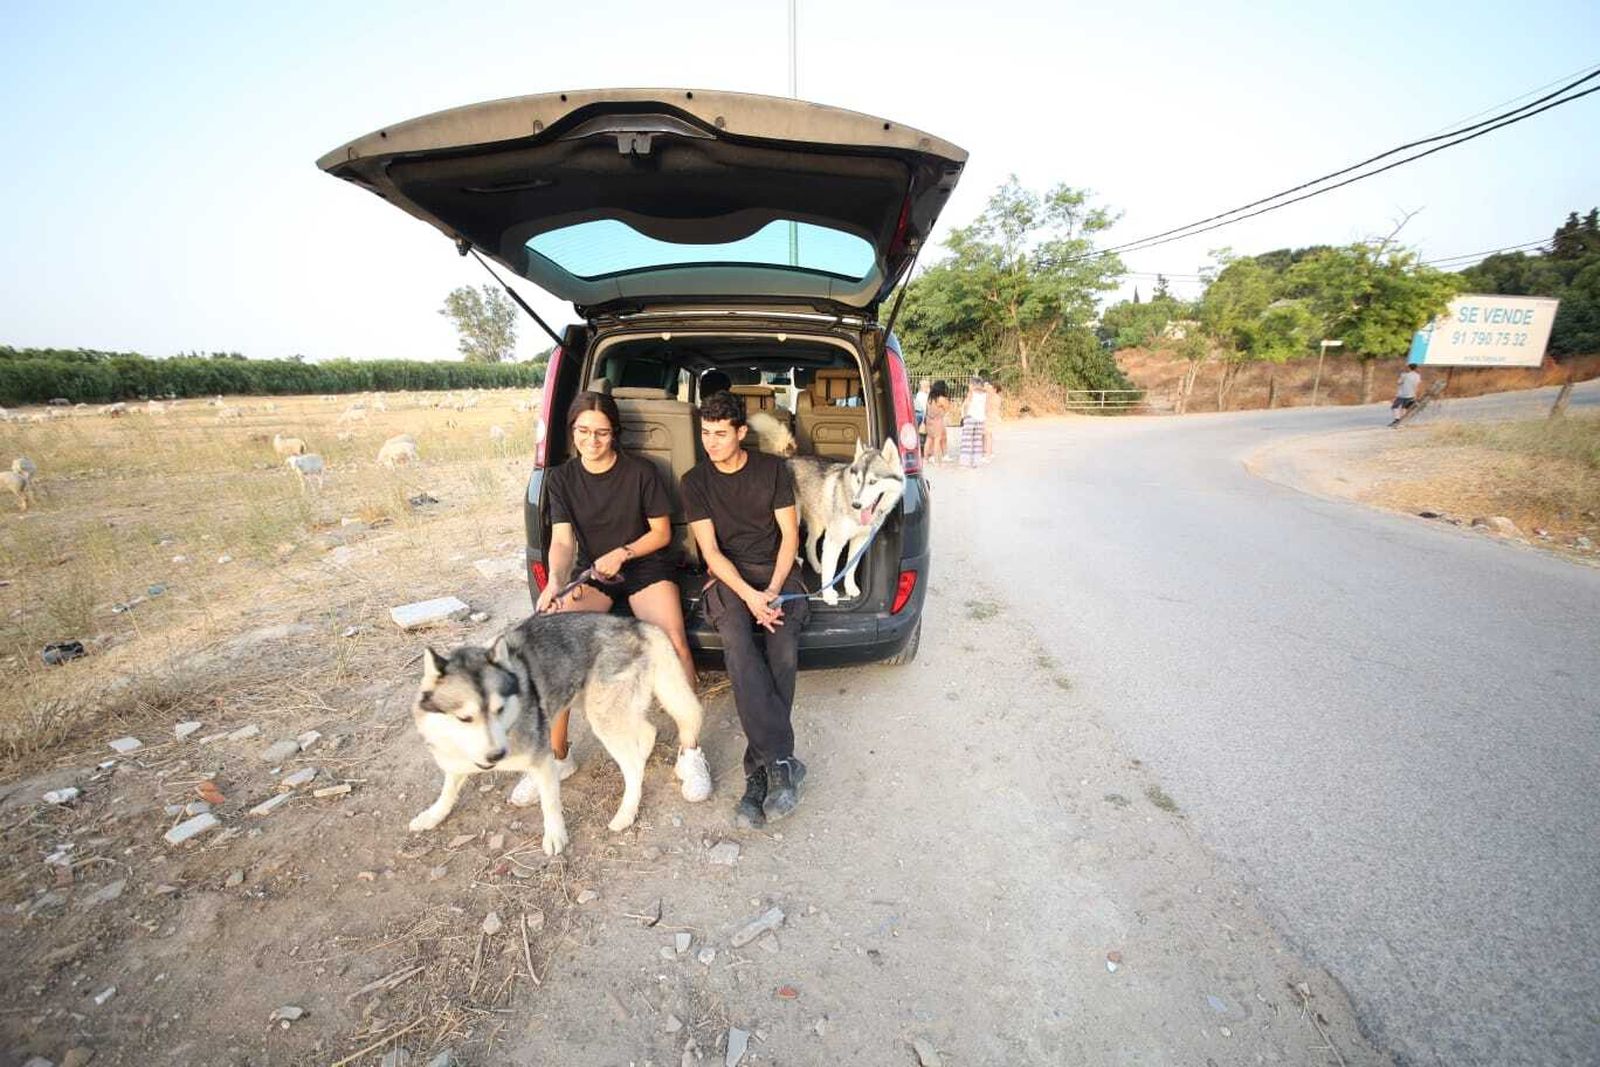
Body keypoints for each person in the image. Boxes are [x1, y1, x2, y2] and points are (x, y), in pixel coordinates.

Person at [537, 391, 711, 799]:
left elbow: (662, 534)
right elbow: (562, 543)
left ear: (615, 433)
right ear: (572, 431)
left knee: (672, 640)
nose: (592, 441)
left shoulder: (641, 472)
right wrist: (554, 583)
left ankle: (690, 751)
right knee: (556, 643)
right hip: (595, 571)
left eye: (601, 432)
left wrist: (624, 552)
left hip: (644, 565)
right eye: (583, 431)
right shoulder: (561, 479)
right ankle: (558, 756)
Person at [682, 391, 811, 827]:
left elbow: (790, 539)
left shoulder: (772, 471)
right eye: (705, 433)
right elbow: (712, 552)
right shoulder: (695, 481)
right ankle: (780, 762)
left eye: (721, 434)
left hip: (777, 573)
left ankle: (757, 772)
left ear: (741, 433)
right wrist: (751, 597)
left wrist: (772, 590)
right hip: (728, 578)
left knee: (782, 647)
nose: (711, 442)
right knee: (738, 645)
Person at [959, 374, 988, 467]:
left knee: (967, 441)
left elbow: (967, 404)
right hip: (980, 419)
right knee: (977, 441)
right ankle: (977, 461)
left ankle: (965, 462)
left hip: (970, 417)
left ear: (973, 384)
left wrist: (963, 415)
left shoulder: (971, 392)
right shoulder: (985, 394)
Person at [922, 380, 951, 464]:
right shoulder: (941, 399)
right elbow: (947, 408)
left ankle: (925, 459)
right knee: (937, 440)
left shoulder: (930, 398)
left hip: (929, 420)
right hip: (938, 420)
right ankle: (936, 460)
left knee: (929, 439)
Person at [982, 380, 1003, 461]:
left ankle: (987, 454)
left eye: (991, 388)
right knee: (988, 435)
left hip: (990, 417)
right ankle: (989, 452)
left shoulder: (992, 397)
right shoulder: (996, 397)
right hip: (992, 417)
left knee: (987, 435)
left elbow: (987, 407)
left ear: (994, 389)